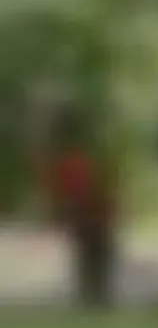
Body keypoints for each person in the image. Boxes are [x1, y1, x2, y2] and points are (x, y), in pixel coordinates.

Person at [35, 97, 118, 309]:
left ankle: (94, 296)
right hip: (87, 206)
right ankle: (94, 297)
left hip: (90, 205)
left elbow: (64, 186)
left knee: (94, 252)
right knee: (94, 252)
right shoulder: (69, 155)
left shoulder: (68, 154)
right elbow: (66, 187)